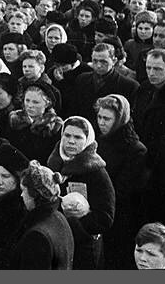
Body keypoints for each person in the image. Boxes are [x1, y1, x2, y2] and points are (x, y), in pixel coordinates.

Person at [46, 116, 115, 269]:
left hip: (84, 246)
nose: (71, 141)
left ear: (87, 140)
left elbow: (106, 218)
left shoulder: (96, 172)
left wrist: (75, 226)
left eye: (77, 137)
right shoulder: (54, 163)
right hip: (57, 241)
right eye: (67, 135)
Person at [93, 94, 147, 269]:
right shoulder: (97, 141)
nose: (101, 122)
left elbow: (125, 189)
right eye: (99, 117)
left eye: (107, 119)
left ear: (120, 119)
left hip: (119, 218)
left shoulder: (135, 150)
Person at [4, 161, 73, 270]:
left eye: (24, 191)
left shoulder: (37, 236)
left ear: (35, 195)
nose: (22, 195)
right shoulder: (59, 218)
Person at [6, 81, 63, 163]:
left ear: (47, 104)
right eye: (27, 100)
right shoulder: (14, 120)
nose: (30, 105)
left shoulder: (54, 126)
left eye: (35, 102)